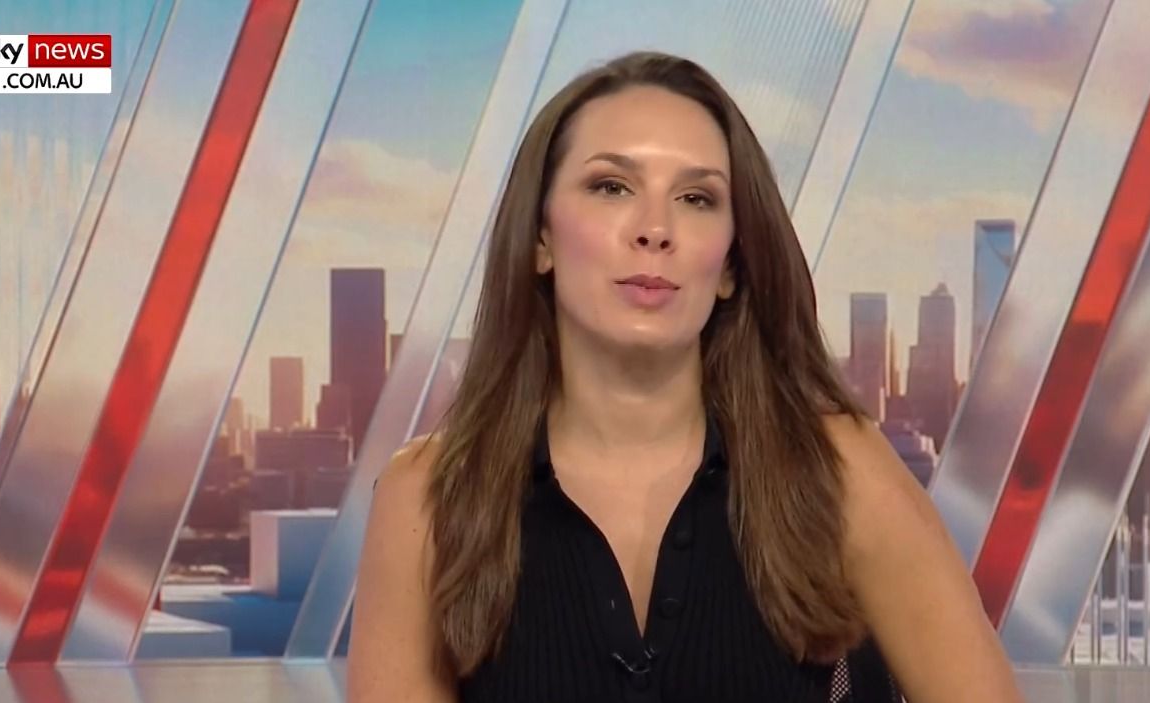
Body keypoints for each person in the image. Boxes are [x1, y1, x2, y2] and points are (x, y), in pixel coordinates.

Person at [348, 51, 1023, 702]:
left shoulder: (841, 472)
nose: (655, 229)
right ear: (540, 239)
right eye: (611, 187)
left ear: (729, 264)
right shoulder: (426, 499)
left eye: (696, 197)